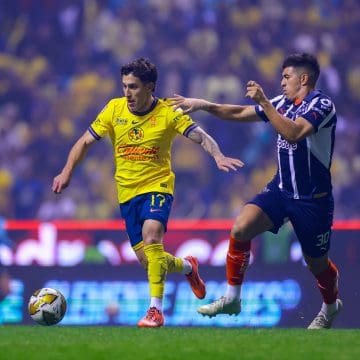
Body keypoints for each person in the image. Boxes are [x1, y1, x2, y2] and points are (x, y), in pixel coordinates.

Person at [52, 57, 243, 328]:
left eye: (134, 87)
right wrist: (66, 172)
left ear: (150, 87)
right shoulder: (113, 109)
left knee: (152, 238)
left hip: (158, 186)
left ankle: (155, 311)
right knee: (149, 260)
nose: (127, 93)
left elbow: (201, 135)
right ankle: (188, 267)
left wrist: (218, 155)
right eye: (124, 86)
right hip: (126, 194)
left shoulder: (167, 112)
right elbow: (83, 142)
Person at [170, 53, 342, 329]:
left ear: (304, 78)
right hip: (281, 189)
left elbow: (294, 133)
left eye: (286, 77)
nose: (282, 82)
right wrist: (203, 105)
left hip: (313, 199)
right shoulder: (282, 102)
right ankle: (232, 298)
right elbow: (239, 112)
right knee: (241, 228)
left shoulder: (321, 105)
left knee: (316, 263)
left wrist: (264, 102)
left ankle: (331, 307)